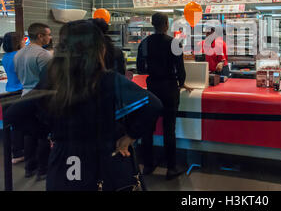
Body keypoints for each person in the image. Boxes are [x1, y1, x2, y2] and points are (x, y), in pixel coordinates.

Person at [4, 20, 163, 190]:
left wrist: (49, 133)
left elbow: (14, 114)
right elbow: (153, 104)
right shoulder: (107, 79)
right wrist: (129, 136)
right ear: (98, 48)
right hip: (102, 160)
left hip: (63, 161)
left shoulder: (52, 78)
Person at [137, 12, 193, 180]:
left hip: (152, 87)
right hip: (169, 88)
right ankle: (171, 168)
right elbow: (180, 70)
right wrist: (181, 82)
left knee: (148, 128)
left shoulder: (145, 43)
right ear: (167, 25)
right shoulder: (174, 43)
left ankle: (148, 165)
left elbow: (141, 69)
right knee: (169, 129)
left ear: (152, 24)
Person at [13, 23, 53, 180]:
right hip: (40, 97)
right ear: (40, 36)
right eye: (48, 35)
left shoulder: (19, 54)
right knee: (43, 133)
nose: (50, 38)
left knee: (29, 134)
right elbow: (50, 79)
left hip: (25, 95)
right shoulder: (43, 55)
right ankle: (43, 169)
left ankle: (30, 167)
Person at [2, 32, 25, 164]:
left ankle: (16, 152)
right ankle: (19, 153)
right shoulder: (19, 56)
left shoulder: (5, 57)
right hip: (19, 92)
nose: (24, 42)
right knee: (21, 124)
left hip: (9, 91)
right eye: (22, 40)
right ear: (17, 42)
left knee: (13, 124)